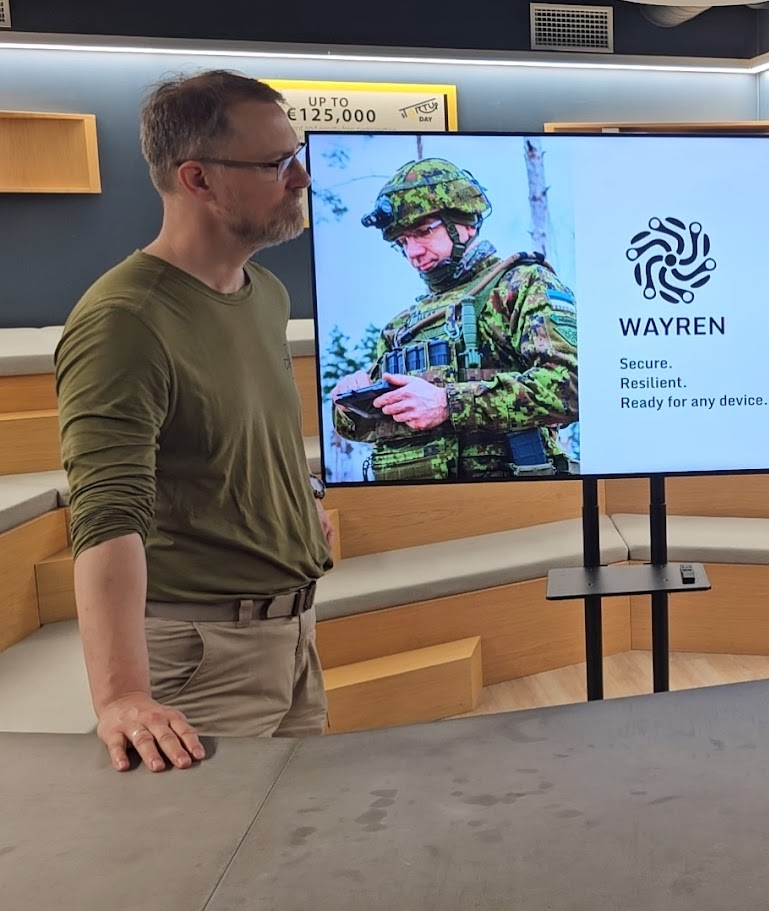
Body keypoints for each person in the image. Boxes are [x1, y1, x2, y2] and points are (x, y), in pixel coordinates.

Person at [55, 70, 335, 773]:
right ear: (198, 179)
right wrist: (123, 695)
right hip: (203, 661)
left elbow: (241, 435)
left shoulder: (263, 293)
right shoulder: (124, 320)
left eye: (297, 155)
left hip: (293, 638)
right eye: (277, 163)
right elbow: (106, 514)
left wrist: (299, 505)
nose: (301, 178)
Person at [327, 158, 579, 481]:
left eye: (423, 232)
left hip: (508, 496)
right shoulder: (400, 328)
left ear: (466, 223)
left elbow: (571, 387)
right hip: (407, 502)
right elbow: (371, 425)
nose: (413, 252)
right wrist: (349, 405)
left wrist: (449, 404)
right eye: (402, 242)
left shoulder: (521, 285)